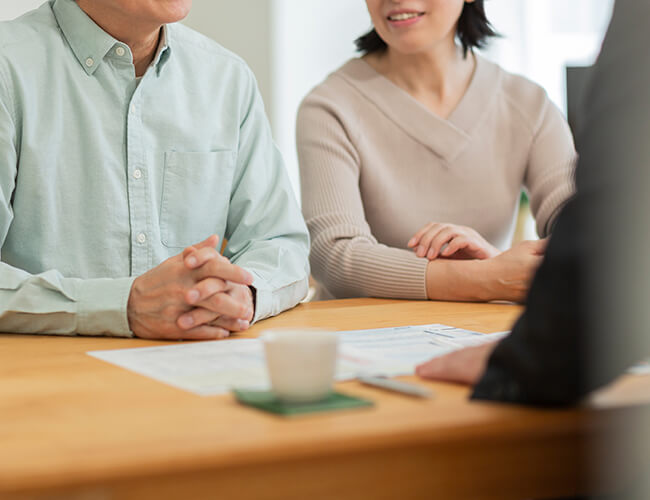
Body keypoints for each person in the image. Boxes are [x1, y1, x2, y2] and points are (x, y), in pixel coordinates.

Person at [0, 0, 310, 340]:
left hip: (196, 370)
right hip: (41, 378)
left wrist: (242, 295)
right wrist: (122, 306)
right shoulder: (9, 66)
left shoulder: (227, 79)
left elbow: (280, 244)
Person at [416, 0, 650, 407]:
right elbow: (337, 253)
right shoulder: (330, 102)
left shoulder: (524, 98)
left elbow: (604, 209)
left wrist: (522, 353)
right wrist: (494, 274)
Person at [297, 0, 575, 302]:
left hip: (478, 337)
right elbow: (334, 255)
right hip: (359, 337)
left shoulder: (529, 105)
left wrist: (500, 268)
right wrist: (488, 277)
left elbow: (585, 233)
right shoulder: (330, 106)